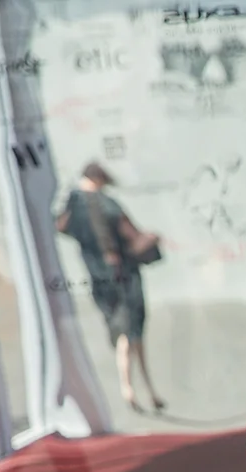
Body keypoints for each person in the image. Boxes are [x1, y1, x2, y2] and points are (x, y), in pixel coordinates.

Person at [54, 162, 165, 413]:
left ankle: (134, 388)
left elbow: (60, 226)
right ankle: (143, 389)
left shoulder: (72, 206)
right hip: (123, 276)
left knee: (122, 331)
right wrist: (152, 239)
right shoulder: (107, 204)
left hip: (98, 278)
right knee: (132, 332)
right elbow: (133, 237)